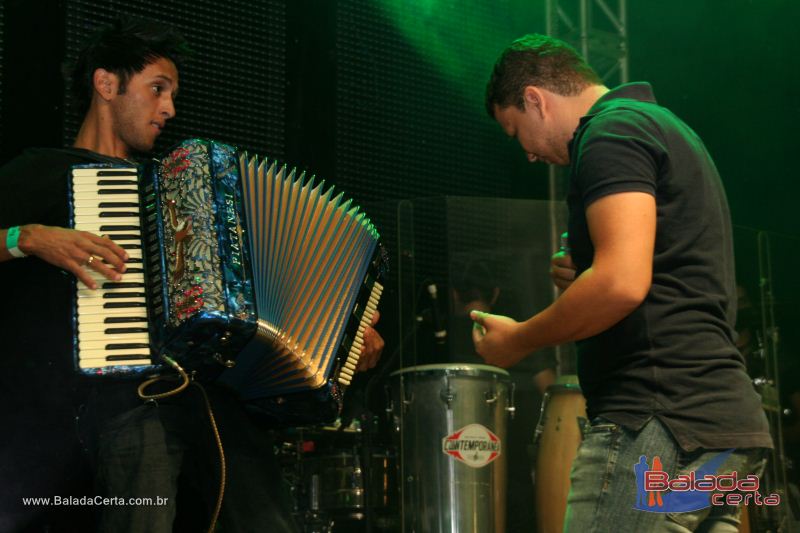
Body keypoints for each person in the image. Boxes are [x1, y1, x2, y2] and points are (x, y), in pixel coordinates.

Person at [0, 18, 383, 533]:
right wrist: (25, 237)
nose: (169, 109)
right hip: (117, 409)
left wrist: (347, 340)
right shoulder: (41, 171)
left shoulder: (177, 186)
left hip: (212, 406)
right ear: (106, 84)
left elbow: (255, 302)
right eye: (157, 89)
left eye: (173, 94)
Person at [472, 33, 772, 531]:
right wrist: (587, 270)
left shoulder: (611, 134)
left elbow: (621, 285)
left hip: (659, 423)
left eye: (515, 130)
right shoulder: (665, 127)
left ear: (534, 100)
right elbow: (657, 269)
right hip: (726, 433)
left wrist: (520, 340)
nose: (526, 153)